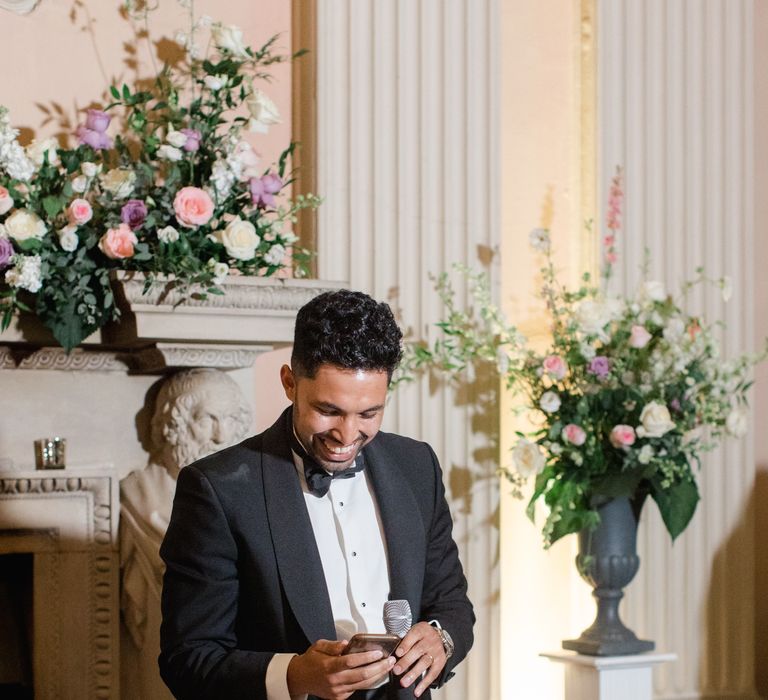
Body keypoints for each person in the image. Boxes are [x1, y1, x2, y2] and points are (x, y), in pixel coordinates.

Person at [159, 290, 474, 700]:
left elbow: (452, 605)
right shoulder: (217, 489)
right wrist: (293, 676)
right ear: (290, 383)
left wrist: (441, 639)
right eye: (328, 410)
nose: (347, 435)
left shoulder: (417, 466)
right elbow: (188, 659)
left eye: (368, 413)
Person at [120, 369, 252, 700]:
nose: (222, 436)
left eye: (231, 420)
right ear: (175, 422)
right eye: (208, 419)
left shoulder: (245, 495)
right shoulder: (140, 493)